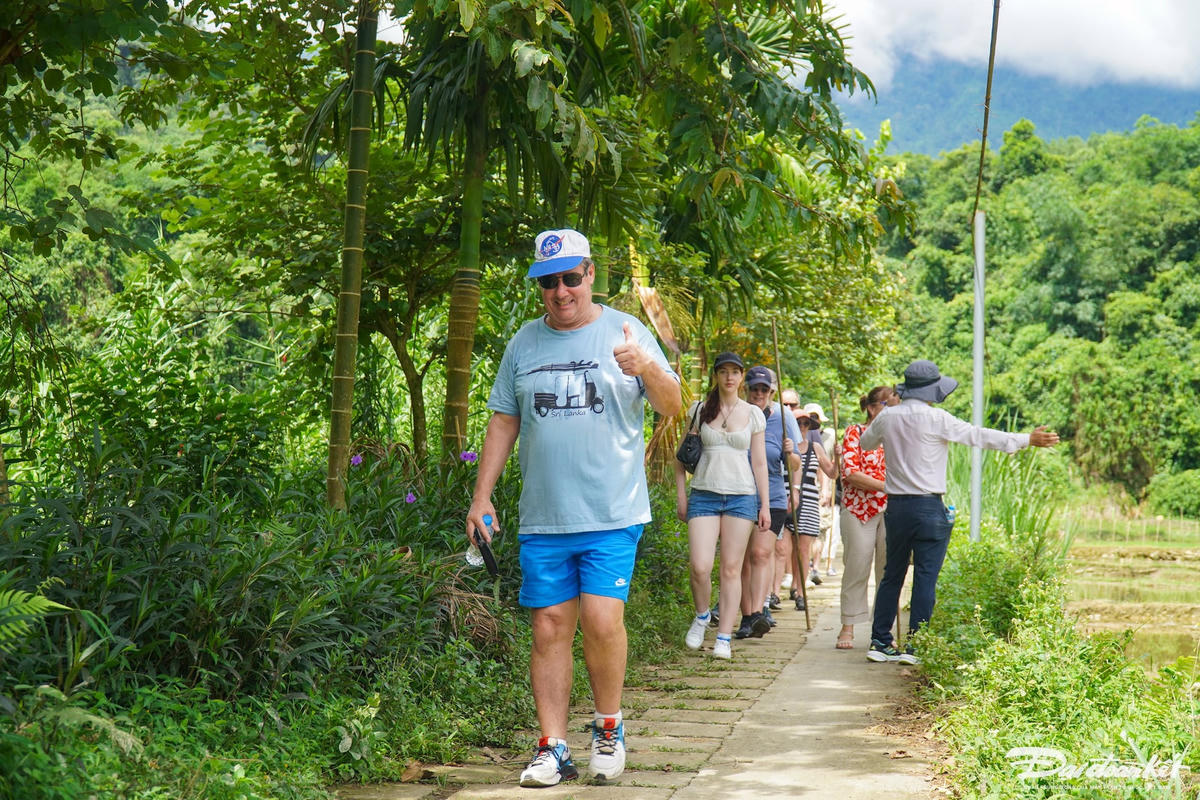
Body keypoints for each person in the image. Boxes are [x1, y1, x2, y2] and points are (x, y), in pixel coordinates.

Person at [467, 228, 682, 787]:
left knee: (603, 620)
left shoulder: (626, 331)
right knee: (548, 627)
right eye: (548, 282)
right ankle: (553, 746)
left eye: (569, 278)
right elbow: (504, 420)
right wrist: (482, 495)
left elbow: (672, 406)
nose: (560, 291)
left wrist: (647, 369)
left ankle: (608, 727)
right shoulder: (524, 342)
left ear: (590, 274)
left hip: (612, 512)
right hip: (545, 516)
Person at [861, 359, 1059, 665]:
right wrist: (1025, 440)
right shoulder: (937, 418)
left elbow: (865, 443)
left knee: (892, 575)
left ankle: (879, 641)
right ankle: (915, 647)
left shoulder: (888, 416)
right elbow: (978, 436)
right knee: (926, 577)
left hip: (897, 507)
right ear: (931, 390)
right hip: (928, 505)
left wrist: (888, 411)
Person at [674, 352, 771, 659]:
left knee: (731, 569)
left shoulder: (753, 413)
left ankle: (724, 637)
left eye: (735, 372)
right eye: (724, 371)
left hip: (741, 496)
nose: (729, 377)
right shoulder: (700, 410)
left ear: (742, 377)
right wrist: (681, 495)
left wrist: (764, 505)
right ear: (716, 376)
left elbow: (758, 462)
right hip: (704, 493)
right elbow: (682, 457)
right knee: (700, 566)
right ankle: (703, 614)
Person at [737, 366, 801, 638]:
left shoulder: (785, 419)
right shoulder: (737, 413)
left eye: (764, 389)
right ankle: (747, 616)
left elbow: (796, 461)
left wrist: (790, 454)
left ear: (772, 392)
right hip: (738, 493)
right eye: (754, 389)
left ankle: (760, 609)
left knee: (761, 554)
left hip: (772, 495)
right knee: (742, 560)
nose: (759, 393)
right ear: (746, 390)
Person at [835, 386, 896, 650]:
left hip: (892, 510)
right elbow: (850, 471)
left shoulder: (898, 436)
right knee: (857, 565)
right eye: (887, 405)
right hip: (858, 508)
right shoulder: (855, 433)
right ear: (872, 408)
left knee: (889, 570)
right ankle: (847, 625)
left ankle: (883, 631)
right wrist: (887, 485)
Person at [787, 411, 835, 610]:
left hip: (808, 499)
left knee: (803, 547)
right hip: (786, 497)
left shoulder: (815, 447)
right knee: (783, 548)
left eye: (806, 423)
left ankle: (800, 591)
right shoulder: (786, 445)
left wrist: (838, 458)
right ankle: (775, 592)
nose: (802, 426)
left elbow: (832, 472)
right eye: (799, 423)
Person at [803, 402, 836, 583]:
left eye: (815, 418)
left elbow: (827, 466)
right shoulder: (796, 435)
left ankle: (815, 566)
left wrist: (826, 489)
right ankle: (805, 568)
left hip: (820, 485)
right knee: (805, 533)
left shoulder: (827, 437)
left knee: (820, 529)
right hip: (802, 488)